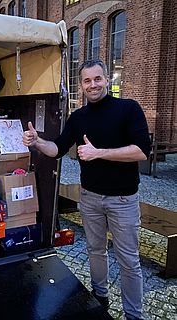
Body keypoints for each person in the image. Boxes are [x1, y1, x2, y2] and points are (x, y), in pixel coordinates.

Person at [23, 59, 151, 320]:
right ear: (80, 85)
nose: (93, 85)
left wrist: (98, 153)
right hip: (90, 197)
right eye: (87, 81)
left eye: (97, 79)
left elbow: (141, 151)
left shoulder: (128, 109)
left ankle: (133, 315)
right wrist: (37, 142)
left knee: (128, 262)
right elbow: (57, 148)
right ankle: (100, 298)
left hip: (123, 200)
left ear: (107, 80)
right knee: (95, 250)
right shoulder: (78, 117)